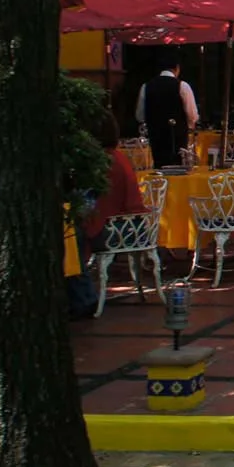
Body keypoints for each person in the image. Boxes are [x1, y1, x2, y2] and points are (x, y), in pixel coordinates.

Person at [71, 113, 146, 318]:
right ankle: (80, 296)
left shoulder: (104, 162)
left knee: (72, 236)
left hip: (121, 228)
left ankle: (83, 298)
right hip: (132, 225)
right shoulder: (116, 156)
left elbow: (99, 206)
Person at [135, 49, 198, 168]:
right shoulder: (182, 86)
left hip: (156, 137)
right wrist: (188, 126)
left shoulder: (146, 86)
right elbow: (192, 115)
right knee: (179, 168)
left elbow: (140, 116)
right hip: (178, 137)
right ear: (177, 68)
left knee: (159, 168)